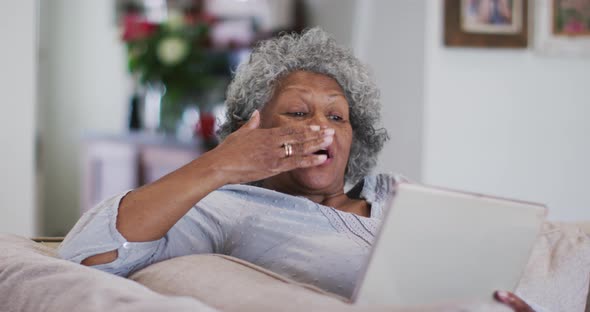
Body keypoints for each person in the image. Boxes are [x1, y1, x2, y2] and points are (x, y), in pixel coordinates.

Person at [59, 28, 537, 311]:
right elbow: (89, 257)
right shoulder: (229, 206)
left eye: (336, 117)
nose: (320, 129)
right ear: (255, 127)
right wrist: (219, 164)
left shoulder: (396, 193)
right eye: (297, 112)